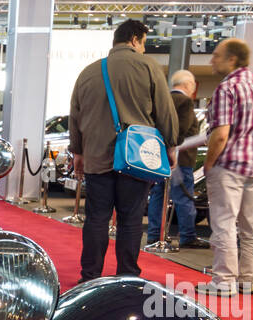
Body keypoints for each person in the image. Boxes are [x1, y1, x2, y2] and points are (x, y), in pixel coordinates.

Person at [69, 19, 178, 282]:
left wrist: (78, 152)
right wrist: (170, 145)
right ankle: (127, 275)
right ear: (135, 39)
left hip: (96, 158)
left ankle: (90, 275)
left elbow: (75, 115)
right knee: (130, 218)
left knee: (96, 217)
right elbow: (165, 111)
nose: (143, 49)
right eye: (144, 43)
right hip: (136, 157)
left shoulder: (89, 72)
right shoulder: (148, 67)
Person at [199, 38, 253, 296]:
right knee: (250, 224)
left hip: (230, 166)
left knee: (224, 222)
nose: (212, 60)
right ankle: (248, 280)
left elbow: (221, 134)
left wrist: (208, 163)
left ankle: (223, 281)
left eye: (216, 55)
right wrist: (252, 135)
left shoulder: (227, 88)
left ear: (232, 59)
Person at [146, 70, 205, 249]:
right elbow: (182, 130)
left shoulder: (161, 100)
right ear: (188, 85)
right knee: (183, 197)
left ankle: (154, 233)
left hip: (158, 156)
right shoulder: (185, 102)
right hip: (180, 159)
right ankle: (187, 235)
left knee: (158, 195)